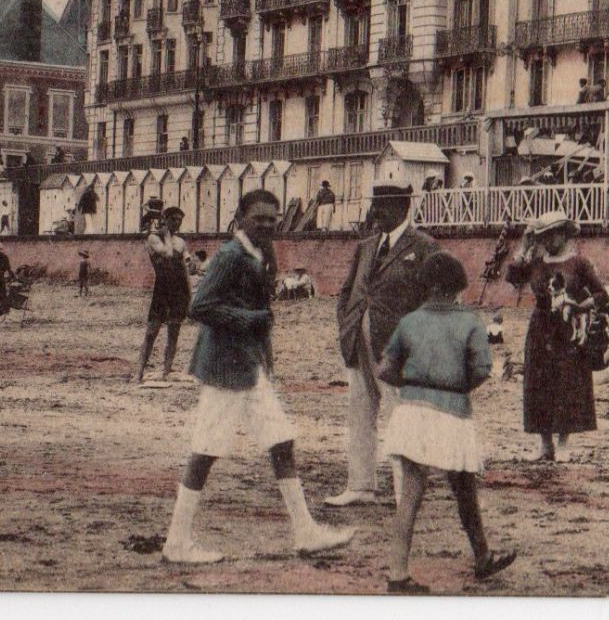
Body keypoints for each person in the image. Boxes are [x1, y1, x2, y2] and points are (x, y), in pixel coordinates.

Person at [159, 189, 353, 563]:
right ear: (241, 217)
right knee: (205, 452)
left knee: (281, 441)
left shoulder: (264, 252)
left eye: (272, 217)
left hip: (248, 364)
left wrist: (266, 352)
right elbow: (200, 307)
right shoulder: (231, 255)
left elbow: (261, 308)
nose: (268, 223)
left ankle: (305, 530)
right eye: (260, 217)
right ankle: (177, 541)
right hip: (224, 367)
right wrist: (250, 322)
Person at [378, 251, 516, 593]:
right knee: (464, 488)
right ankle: (481, 556)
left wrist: (412, 386)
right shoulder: (469, 322)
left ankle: (398, 573)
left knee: (410, 494)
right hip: (453, 413)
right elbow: (482, 370)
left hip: (411, 411)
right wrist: (456, 388)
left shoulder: (409, 321)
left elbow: (384, 369)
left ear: (427, 286)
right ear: (456, 287)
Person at [327, 182, 440, 507]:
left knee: (400, 416)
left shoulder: (424, 246)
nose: (375, 212)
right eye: (374, 205)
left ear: (402, 208)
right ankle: (361, 484)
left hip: (399, 348)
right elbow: (348, 292)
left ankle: (406, 491)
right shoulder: (366, 246)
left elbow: (435, 300)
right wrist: (346, 326)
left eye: (382, 206)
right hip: (358, 340)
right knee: (360, 411)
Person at [505, 210, 608, 463]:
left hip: (568, 330)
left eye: (552, 234)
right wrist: (524, 246)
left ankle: (563, 444)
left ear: (564, 234)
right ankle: (544, 444)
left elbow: (601, 295)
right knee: (538, 384)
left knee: (567, 384)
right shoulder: (536, 263)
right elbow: (513, 277)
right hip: (541, 328)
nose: (548, 240)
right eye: (544, 236)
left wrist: (579, 306)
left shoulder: (579, 263)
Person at [138, 207, 192, 386]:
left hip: (178, 289)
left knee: (174, 332)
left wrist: (190, 295)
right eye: (173, 219)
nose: (177, 223)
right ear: (165, 220)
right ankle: (139, 372)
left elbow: (186, 269)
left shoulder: (181, 242)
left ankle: (166, 370)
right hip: (162, 288)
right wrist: (167, 235)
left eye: (179, 220)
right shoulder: (154, 238)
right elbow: (167, 253)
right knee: (152, 331)